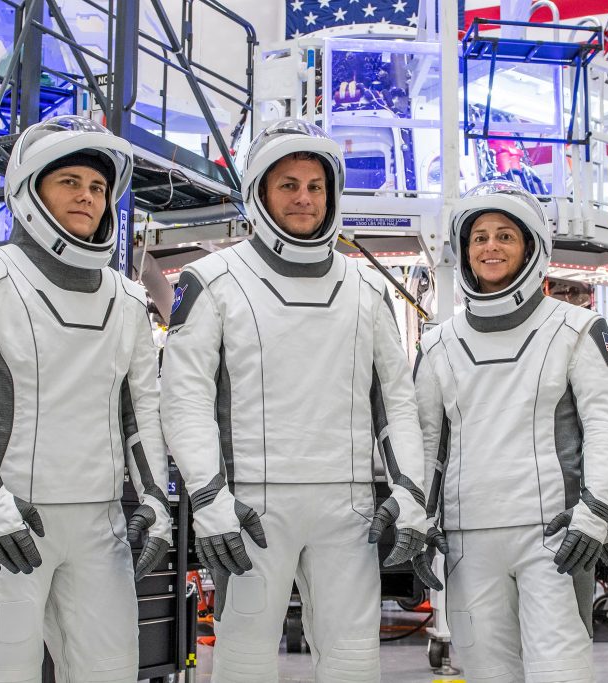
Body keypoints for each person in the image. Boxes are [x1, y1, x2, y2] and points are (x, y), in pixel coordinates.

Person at [160, 118, 437, 681]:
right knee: (243, 656)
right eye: (288, 184)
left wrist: (410, 493)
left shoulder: (368, 289)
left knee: (354, 659)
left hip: (350, 508)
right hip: (251, 509)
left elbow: (398, 404)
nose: (304, 198)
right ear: (260, 191)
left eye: (315, 185)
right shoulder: (213, 280)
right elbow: (184, 399)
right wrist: (209, 500)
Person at [0, 115, 173, 682]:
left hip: (99, 524)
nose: (87, 197)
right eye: (70, 183)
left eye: (98, 187)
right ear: (30, 189)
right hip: (3, 522)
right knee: (1, 671)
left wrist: (156, 502)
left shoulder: (128, 300)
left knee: (109, 671)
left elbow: (142, 413)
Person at [412, 180, 608, 681]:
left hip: (553, 537)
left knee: (561, 670)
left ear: (531, 246)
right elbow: (426, 441)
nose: (491, 247)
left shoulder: (575, 328)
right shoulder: (439, 342)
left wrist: (594, 514)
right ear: (465, 251)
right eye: (480, 237)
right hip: (469, 540)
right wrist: (419, 519)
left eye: (505, 235)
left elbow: (606, 424)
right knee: (489, 672)